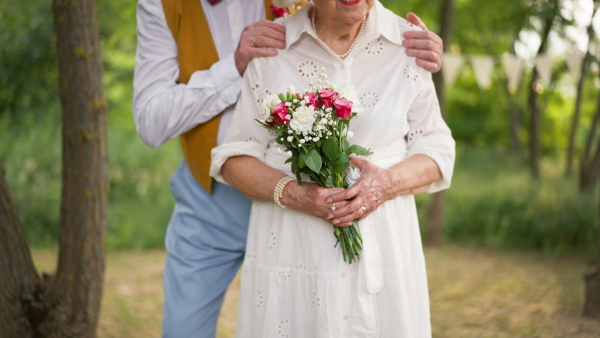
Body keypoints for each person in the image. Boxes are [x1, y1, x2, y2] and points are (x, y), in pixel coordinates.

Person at [133, 0, 444, 336]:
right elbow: (151, 121)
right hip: (216, 198)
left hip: (331, 212)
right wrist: (235, 66)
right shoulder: (161, 5)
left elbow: (432, 139)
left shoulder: (395, 39)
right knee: (186, 329)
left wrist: (422, 50)